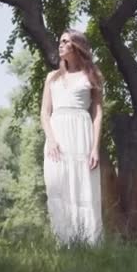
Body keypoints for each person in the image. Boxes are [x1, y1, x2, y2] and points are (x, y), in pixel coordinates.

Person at [40, 28, 104, 246]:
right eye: (60, 41)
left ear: (76, 46)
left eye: (65, 41)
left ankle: (88, 243)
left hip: (81, 135)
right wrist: (51, 139)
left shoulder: (92, 76)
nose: (60, 45)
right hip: (57, 137)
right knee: (58, 188)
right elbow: (44, 113)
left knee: (83, 187)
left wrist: (95, 147)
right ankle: (64, 243)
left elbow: (97, 113)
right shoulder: (52, 78)